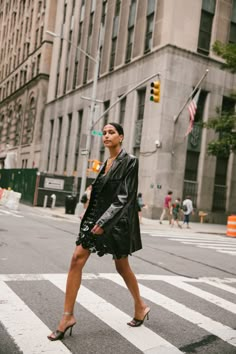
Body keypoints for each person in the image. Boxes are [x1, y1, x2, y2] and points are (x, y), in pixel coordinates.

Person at [48, 122, 150, 341]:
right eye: (104, 133)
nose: (106, 136)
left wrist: (104, 221)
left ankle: (140, 306)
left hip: (115, 223)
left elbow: (125, 197)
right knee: (76, 259)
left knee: (122, 267)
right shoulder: (105, 163)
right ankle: (67, 316)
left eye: (111, 132)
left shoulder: (130, 162)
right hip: (96, 221)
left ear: (121, 137)